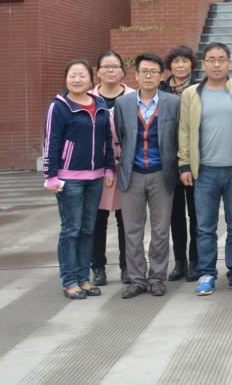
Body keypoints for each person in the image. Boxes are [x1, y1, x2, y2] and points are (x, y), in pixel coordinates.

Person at [178, 42, 232, 296]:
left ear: (228, 63)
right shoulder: (191, 94)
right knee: (204, 227)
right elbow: (184, 131)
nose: (216, 64)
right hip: (205, 172)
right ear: (204, 64)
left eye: (221, 59)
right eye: (211, 59)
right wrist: (184, 164)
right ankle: (207, 273)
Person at [43, 59, 115, 300]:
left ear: (91, 79)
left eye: (82, 75)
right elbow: (51, 142)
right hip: (69, 178)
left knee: (87, 229)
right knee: (71, 230)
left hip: (95, 177)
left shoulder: (100, 104)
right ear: (66, 79)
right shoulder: (59, 106)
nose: (77, 79)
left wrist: (109, 169)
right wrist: (50, 176)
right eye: (72, 75)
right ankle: (70, 281)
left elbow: (107, 139)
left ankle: (84, 279)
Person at [114, 53, 181, 299]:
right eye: (144, 71)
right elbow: (121, 135)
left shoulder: (173, 103)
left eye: (154, 72)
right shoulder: (123, 104)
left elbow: (177, 137)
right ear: (137, 75)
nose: (149, 76)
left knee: (161, 229)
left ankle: (157, 278)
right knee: (132, 230)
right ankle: (136, 279)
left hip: (162, 174)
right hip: (132, 174)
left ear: (161, 75)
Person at [91, 50, 133, 286]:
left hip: (127, 165)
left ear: (122, 71)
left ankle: (127, 266)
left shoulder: (133, 96)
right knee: (97, 219)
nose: (110, 70)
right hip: (97, 167)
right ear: (98, 72)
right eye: (105, 67)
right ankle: (98, 267)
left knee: (126, 219)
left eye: (114, 66)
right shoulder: (88, 98)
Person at [161, 44, 200, 283]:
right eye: (176, 61)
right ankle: (179, 262)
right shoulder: (160, 89)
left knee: (196, 214)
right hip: (167, 161)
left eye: (185, 61)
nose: (180, 65)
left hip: (194, 160)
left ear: (191, 64)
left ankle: (195, 261)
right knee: (175, 215)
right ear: (170, 65)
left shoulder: (201, 87)